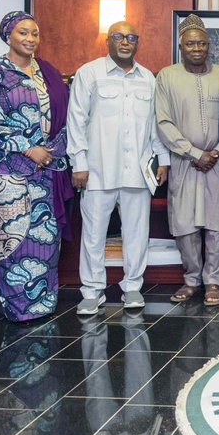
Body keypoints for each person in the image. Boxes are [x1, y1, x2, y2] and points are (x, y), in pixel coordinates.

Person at [0, 11, 73, 322]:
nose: (30, 39)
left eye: (34, 34)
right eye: (22, 33)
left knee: (45, 238)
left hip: (46, 171)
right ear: (8, 36)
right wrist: (29, 149)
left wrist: (55, 153)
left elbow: (66, 117)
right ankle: (16, 308)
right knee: (13, 240)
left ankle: (43, 304)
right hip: (8, 174)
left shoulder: (48, 72)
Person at [67, 21, 169, 315]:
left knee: (137, 232)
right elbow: (76, 122)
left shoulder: (148, 78)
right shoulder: (89, 73)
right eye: (119, 37)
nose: (126, 42)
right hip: (97, 170)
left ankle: (133, 288)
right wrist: (79, 164)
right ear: (108, 41)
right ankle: (92, 291)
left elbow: (155, 126)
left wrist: (162, 160)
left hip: (137, 170)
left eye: (131, 37)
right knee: (94, 234)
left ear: (137, 43)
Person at [155, 14, 219, 307]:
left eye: (201, 43)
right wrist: (195, 153)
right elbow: (163, 121)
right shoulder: (167, 76)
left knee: (216, 224)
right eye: (190, 44)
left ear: (208, 45)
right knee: (185, 223)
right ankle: (191, 280)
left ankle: (213, 282)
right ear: (181, 47)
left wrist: (218, 151)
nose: (196, 48)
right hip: (184, 161)